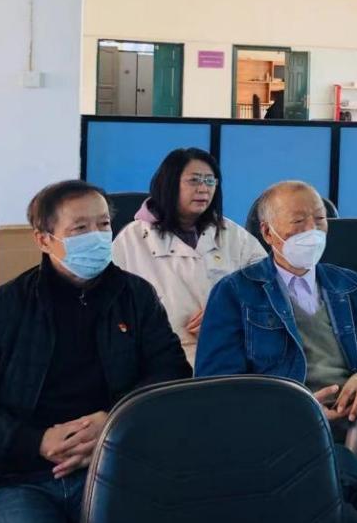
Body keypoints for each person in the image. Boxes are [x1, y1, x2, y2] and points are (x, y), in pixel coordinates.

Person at [0, 180, 190, 523]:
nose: (97, 236)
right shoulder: (1, 309)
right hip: (18, 478)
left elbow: (172, 374)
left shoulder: (136, 296)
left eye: (103, 225)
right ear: (43, 240)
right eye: (80, 228)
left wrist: (113, 423)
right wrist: (36, 441)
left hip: (112, 466)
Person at [195, 180, 357, 523]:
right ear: (268, 233)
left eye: (319, 219)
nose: (312, 230)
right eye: (298, 222)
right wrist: (296, 409)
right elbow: (218, 389)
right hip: (284, 440)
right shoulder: (236, 293)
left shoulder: (352, 286)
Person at [112, 147, 266, 365]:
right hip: (157, 359)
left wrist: (228, 313)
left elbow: (267, 287)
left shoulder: (233, 234)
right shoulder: (132, 239)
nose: (203, 188)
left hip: (228, 353)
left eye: (210, 181)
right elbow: (112, 305)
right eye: (194, 180)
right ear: (169, 183)